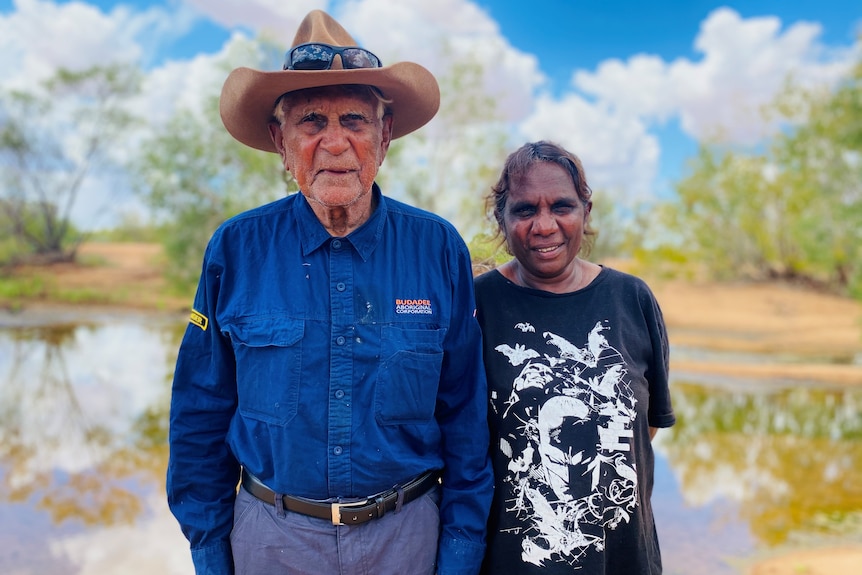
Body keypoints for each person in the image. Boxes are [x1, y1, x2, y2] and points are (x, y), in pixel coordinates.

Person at [166, 10, 493, 575]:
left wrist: (460, 553)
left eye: (355, 121)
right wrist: (210, 553)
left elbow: (466, 417)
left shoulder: (437, 248)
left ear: (384, 136)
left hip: (407, 539)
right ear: (281, 140)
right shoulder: (236, 249)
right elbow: (199, 414)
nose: (335, 142)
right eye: (312, 120)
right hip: (271, 540)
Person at [474, 141, 675, 574]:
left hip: (623, 561)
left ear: (585, 211)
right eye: (525, 210)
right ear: (502, 220)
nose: (544, 225)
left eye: (562, 206)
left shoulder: (632, 299)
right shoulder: (477, 306)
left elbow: (647, 425)